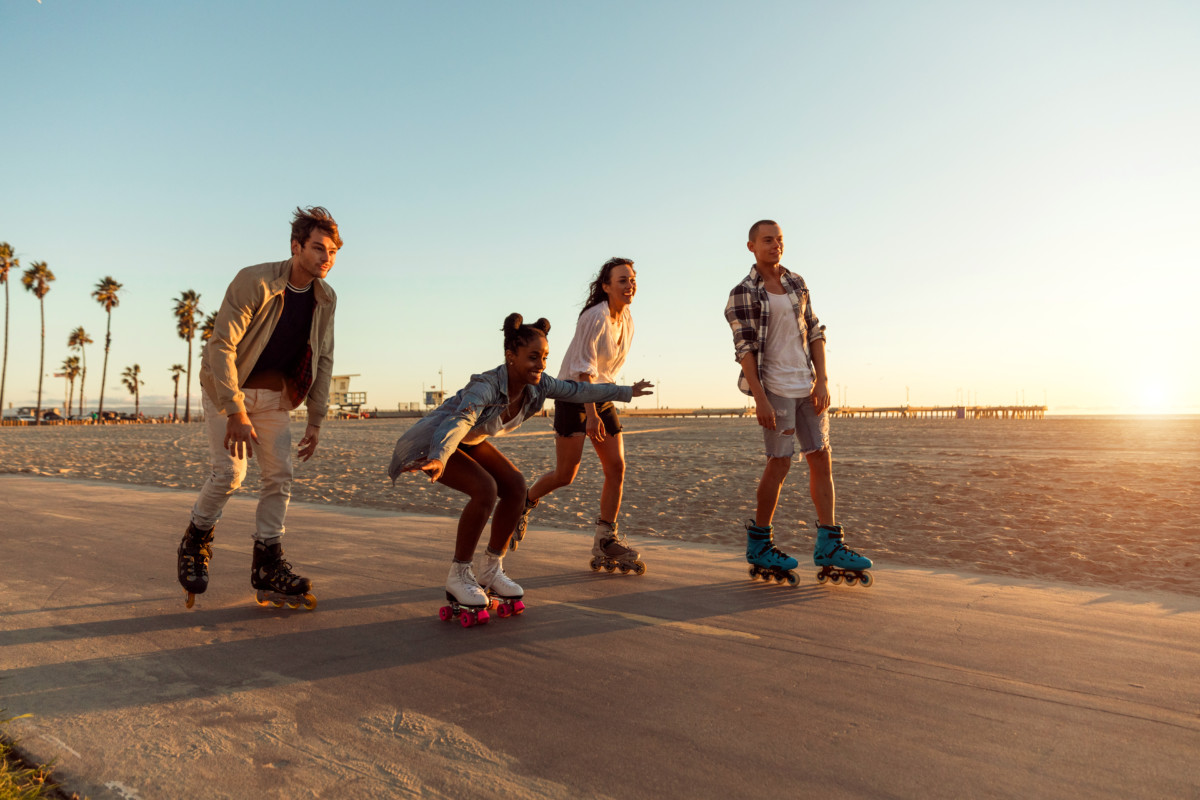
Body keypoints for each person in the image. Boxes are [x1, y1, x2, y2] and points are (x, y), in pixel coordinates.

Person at [387, 314, 653, 622]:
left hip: (468, 440)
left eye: (544, 357)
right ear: (510, 356)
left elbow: (579, 392)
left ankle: (490, 570)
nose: (541, 364)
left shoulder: (537, 387)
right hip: (434, 442)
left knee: (514, 485)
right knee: (485, 490)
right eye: (533, 357)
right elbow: (459, 420)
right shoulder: (486, 386)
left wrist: (625, 392)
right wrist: (440, 454)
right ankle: (459, 574)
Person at [176, 206, 341, 608]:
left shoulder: (326, 298)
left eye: (333, 252)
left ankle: (268, 562)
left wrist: (317, 420)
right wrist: (234, 411)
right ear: (296, 246)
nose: (326, 258)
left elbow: (324, 358)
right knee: (230, 472)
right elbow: (221, 346)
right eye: (319, 248)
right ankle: (195, 541)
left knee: (279, 475)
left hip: (272, 399)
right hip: (225, 389)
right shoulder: (255, 281)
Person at [723, 219, 872, 586]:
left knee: (821, 456)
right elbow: (744, 349)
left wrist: (822, 380)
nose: (776, 246)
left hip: (806, 385)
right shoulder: (742, 292)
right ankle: (760, 542)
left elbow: (816, 330)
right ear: (751, 246)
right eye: (768, 240)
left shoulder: (796, 282)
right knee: (780, 463)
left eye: (780, 240)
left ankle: (829, 544)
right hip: (774, 388)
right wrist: (760, 399)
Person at [514, 257, 643, 572]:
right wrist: (592, 414)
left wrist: (604, 404)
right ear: (606, 286)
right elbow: (584, 369)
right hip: (574, 397)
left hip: (602, 395)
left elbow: (605, 371)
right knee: (565, 475)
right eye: (622, 280)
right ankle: (523, 503)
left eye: (632, 279)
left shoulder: (626, 318)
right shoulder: (594, 317)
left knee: (616, 467)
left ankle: (604, 538)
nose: (629, 285)